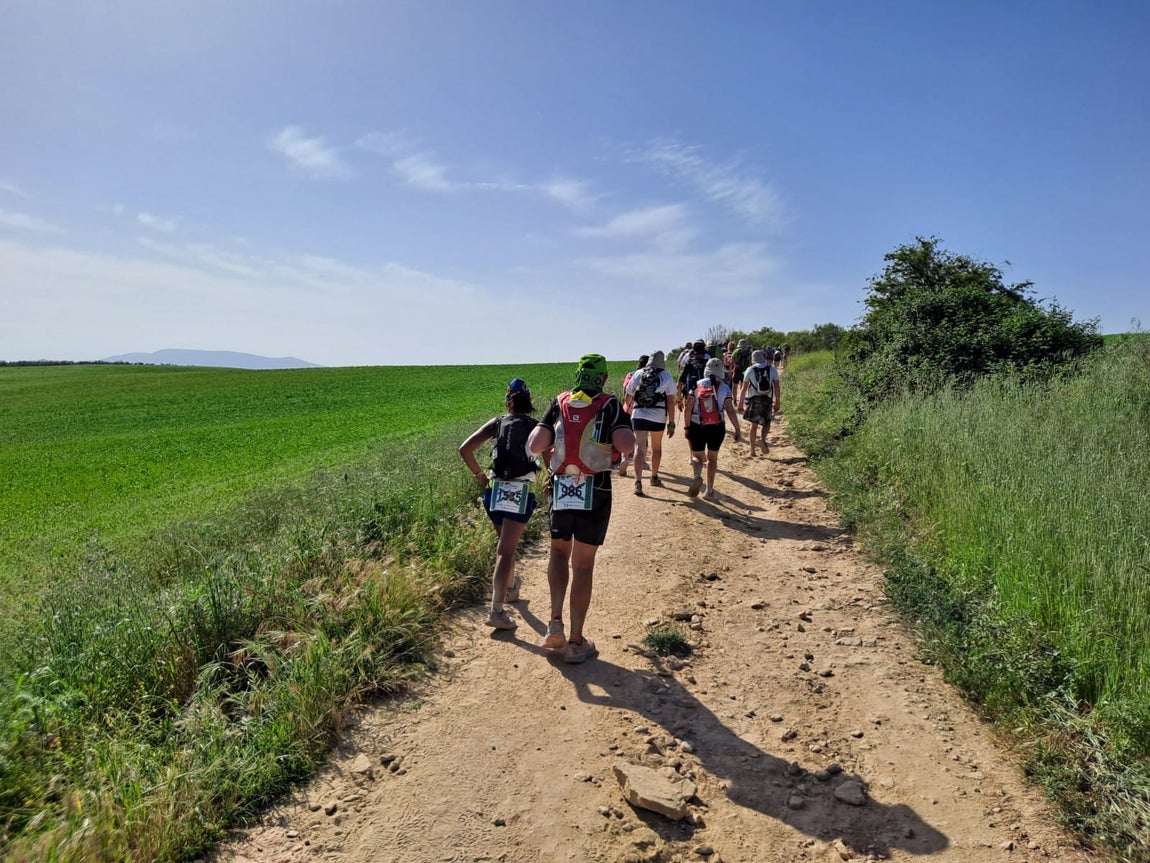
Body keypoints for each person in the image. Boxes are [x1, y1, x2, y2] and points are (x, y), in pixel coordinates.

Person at [527, 354, 634, 663]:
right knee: (583, 565)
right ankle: (575, 642)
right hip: (595, 486)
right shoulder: (609, 404)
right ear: (602, 378)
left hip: (561, 486)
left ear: (577, 376)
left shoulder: (559, 401)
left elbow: (536, 444)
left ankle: (554, 623)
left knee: (558, 553)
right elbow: (626, 445)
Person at [458, 378, 540, 631]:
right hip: (519, 490)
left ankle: (512, 587)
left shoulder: (496, 423)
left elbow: (465, 449)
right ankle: (496, 610)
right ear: (529, 403)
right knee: (505, 551)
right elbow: (550, 459)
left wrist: (480, 476)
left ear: (508, 403)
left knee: (506, 546)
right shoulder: (536, 427)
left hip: (494, 492)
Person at [683, 357, 742, 501]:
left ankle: (697, 476)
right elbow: (730, 410)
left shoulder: (696, 386)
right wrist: (737, 429)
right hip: (717, 427)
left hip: (697, 425)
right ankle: (709, 490)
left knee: (697, 457)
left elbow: (688, 409)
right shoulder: (724, 387)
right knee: (712, 459)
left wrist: (687, 427)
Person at [624, 350, 676, 495]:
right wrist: (671, 423)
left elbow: (628, 394)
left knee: (639, 447)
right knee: (656, 447)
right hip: (658, 416)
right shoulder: (665, 375)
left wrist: (627, 409)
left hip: (639, 414)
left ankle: (638, 481)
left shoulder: (639, 373)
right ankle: (654, 477)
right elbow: (671, 401)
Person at [738, 350, 781, 457]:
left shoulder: (750, 369)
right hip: (767, 399)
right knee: (767, 423)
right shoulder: (772, 369)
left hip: (754, 399)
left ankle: (752, 451)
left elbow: (743, 389)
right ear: (764, 358)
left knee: (754, 425)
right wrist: (777, 402)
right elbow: (777, 387)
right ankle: (762, 439)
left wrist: (740, 403)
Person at [617, 354, 648, 478]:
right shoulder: (649, 375)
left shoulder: (631, 374)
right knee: (642, 438)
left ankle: (624, 458)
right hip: (642, 411)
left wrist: (628, 405)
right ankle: (642, 459)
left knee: (626, 436)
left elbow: (625, 391)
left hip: (628, 409)